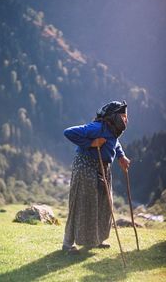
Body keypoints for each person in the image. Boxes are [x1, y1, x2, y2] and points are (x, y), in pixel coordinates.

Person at [62, 100, 130, 254]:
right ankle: (67, 244)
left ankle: (96, 240)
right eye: (123, 116)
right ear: (114, 117)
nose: (126, 120)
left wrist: (121, 157)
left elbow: (115, 144)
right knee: (81, 203)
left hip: (102, 167)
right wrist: (91, 143)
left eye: (126, 117)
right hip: (85, 166)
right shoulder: (97, 127)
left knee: (103, 204)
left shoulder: (112, 130)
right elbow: (68, 132)